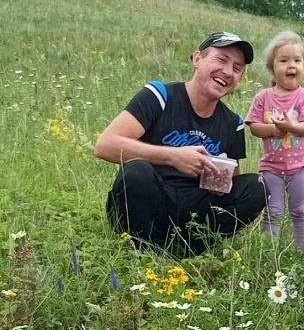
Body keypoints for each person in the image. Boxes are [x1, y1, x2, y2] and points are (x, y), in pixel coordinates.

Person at [95, 31, 269, 255]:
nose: (227, 72)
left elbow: (230, 187)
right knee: (137, 172)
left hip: (194, 209)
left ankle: (192, 248)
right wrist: (173, 157)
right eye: (221, 59)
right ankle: (144, 248)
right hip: (149, 199)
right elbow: (105, 145)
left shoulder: (233, 122)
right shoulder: (159, 95)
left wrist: (220, 177)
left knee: (258, 186)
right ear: (198, 59)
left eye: (237, 68)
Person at [245, 31, 304, 253]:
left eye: (297, 60)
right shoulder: (263, 97)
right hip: (272, 168)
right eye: (284, 60)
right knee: (273, 211)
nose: (291, 65)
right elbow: (254, 127)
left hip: (301, 167)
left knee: (300, 211)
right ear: (271, 67)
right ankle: (268, 255)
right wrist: (274, 131)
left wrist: (290, 128)